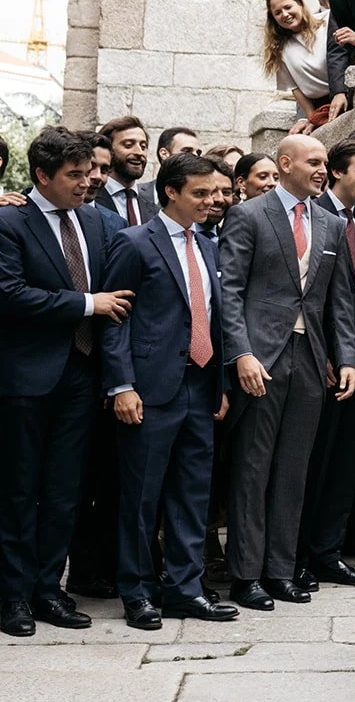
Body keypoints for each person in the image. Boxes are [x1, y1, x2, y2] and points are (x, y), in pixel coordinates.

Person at [218, 134, 355, 611]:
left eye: (324, 162)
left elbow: (340, 301)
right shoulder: (248, 215)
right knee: (253, 470)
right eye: (315, 162)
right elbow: (229, 293)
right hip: (261, 358)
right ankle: (245, 576)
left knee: (294, 471)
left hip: (310, 359)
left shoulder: (329, 224)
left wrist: (348, 359)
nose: (323, 169)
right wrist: (240, 354)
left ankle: (279, 571)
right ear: (284, 164)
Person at [0, 128, 130, 636]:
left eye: (90, 173)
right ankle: (12, 597)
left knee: (64, 491)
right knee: (17, 490)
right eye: (74, 176)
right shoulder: (10, 223)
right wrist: (85, 304)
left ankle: (49, 590)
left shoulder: (98, 223)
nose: (87, 183)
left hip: (83, 374)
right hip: (25, 378)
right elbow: (9, 293)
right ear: (41, 176)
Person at [100, 153, 238, 630]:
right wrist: (121, 385)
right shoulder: (133, 243)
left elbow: (214, 317)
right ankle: (136, 591)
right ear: (171, 192)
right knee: (141, 497)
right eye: (199, 193)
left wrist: (218, 382)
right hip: (149, 389)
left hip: (200, 387)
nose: (210, 201)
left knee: (192, 493)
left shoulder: (208, 245)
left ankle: (185, 588)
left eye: (214, 192)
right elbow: (115, 321)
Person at [293, 138, 355, 593]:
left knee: (347, 456)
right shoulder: (314, 215)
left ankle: (329, 551)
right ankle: (299, 554)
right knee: (314, 460)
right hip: (316, 351)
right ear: (338, 173)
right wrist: (326, 353)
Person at [262, 0, 331, 133]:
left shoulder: (327, 20)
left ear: (299, 3)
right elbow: (295, 88)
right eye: (278, 12)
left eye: (288, 7)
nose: (285, 14)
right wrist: (312, 118)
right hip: (319, 105)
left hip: (343, 95)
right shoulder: (280, 48)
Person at [97, 115, 156, 225]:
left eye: (143, 147)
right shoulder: (90, 199)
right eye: (128, 145)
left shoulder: (153, 207)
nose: (139, 153)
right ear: (108, 151)